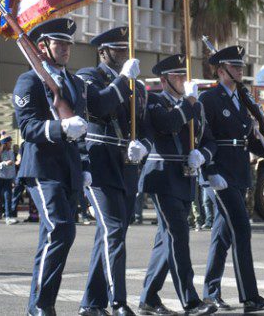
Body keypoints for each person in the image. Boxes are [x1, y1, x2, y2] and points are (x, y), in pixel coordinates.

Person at [12, 18, 89, 316]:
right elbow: (28, 127)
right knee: (61, 231)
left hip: (68, 169)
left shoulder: (76, 83)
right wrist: (60, 128)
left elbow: (80, 129)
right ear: (42, 47)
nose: (66, 48)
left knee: (53, 236)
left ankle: (39, 305)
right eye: (60, 43)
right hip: (42, 167)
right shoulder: (30, 80)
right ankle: (43, 305)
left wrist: (85, 165)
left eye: (68, 43)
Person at [199, 45, 264, 313]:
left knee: (222, 237)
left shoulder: (242, 101)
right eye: (235, 67)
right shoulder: (209, 99)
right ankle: (249, 297)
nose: (240, 70)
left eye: (241, 67)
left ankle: (211, 293)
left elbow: (248, 142)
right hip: (220, 174)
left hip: (239, 173)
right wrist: (210, 172)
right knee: (241, 232)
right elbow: (203, 137)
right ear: (221, 71)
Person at [138, 54, 218, 316]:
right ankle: (190, 301)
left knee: (166, 240)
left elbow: (209, 140)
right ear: (164, 80)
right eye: (177, 76)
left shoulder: (193, 106)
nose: (183, 80)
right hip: (162, 177)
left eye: (183, 75)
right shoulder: (154, 101)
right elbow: (167, 123)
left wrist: (202, 156)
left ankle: (148, 298)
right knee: (178, 237)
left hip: (186, 178)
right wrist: (190, 104)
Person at [76, 26, 146, 316]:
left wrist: (143, 146)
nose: (123, 54)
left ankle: (91, 304)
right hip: (99, 162)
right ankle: (118, 301)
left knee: (110, 233)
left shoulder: (137, 86)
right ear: (102, 52)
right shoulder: (87, 76)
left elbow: (144, 126)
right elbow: (100, 105)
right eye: (117, 49)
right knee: (114, 230)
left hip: (126, 166)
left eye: (125, 49)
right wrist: (123, 79)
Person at [0, 135, 18, 225]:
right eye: (9, 142)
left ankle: (8, 217)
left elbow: (13, 167)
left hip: (8, 178)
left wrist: (14, 179)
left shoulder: (11, 152)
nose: (11, 144)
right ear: (5, 144)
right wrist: (5, 163)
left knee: (8, 197)